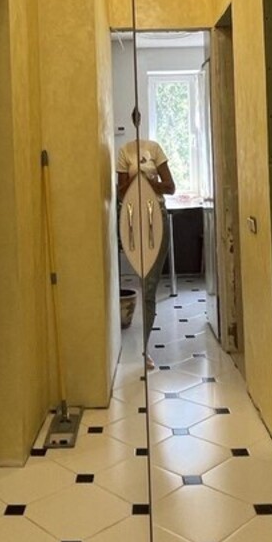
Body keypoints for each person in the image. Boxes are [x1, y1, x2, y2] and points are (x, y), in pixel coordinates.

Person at [115, 108, 175, 369]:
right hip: (133, 220)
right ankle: (139, 347)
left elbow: (170, 187)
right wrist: (137, 180)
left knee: (150, 286)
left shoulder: (155, 148)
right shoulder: (124, 151)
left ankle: (145, 348)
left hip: (156, 217)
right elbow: (120, 192)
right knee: (142, 278)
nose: (136, 118)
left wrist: (147, 181)